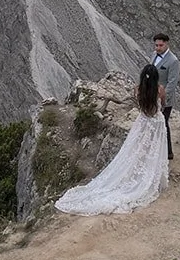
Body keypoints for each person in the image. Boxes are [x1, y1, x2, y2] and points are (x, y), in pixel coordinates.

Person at [55, 64, 169, 215]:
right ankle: (152, 174)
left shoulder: (137, 89)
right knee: (154, 148)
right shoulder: (160, 90)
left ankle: (136, 173)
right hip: (156, 122)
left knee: (136, 149)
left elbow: (140, 105)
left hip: (142, 122)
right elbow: (163, 105)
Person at [151, 33, 180, 160]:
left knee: (163, 123)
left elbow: (172, 83)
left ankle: (168, 152)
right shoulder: (153, 55)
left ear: (167, 44)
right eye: (156, 45)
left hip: (165, 100)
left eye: (160, 45)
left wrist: (162, 98)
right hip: (152, 95)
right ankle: (156, 148)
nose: (158, 48)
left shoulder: (173, 61)